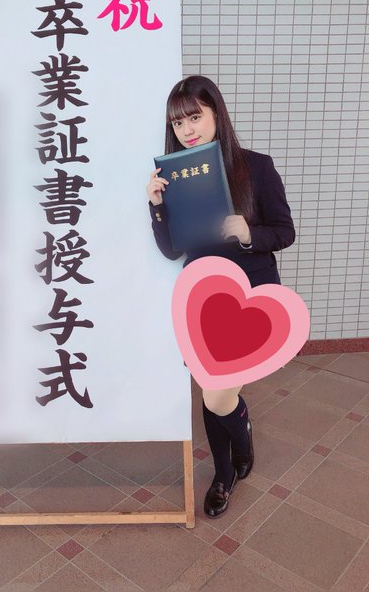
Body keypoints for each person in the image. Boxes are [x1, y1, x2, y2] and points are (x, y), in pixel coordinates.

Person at [146, 75, 295, 518]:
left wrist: (249, 233)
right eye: (178, 123)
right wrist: (157, 206)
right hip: (203, 299)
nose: (187, 130)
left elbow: (284, 231)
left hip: (251, 298)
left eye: (195, 117)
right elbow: (172, 250)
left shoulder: (256, 167)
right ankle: (226, 471)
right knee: (213, 387)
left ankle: (235, 452)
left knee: (215, 395)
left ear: (216, 114)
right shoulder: (173, 177)